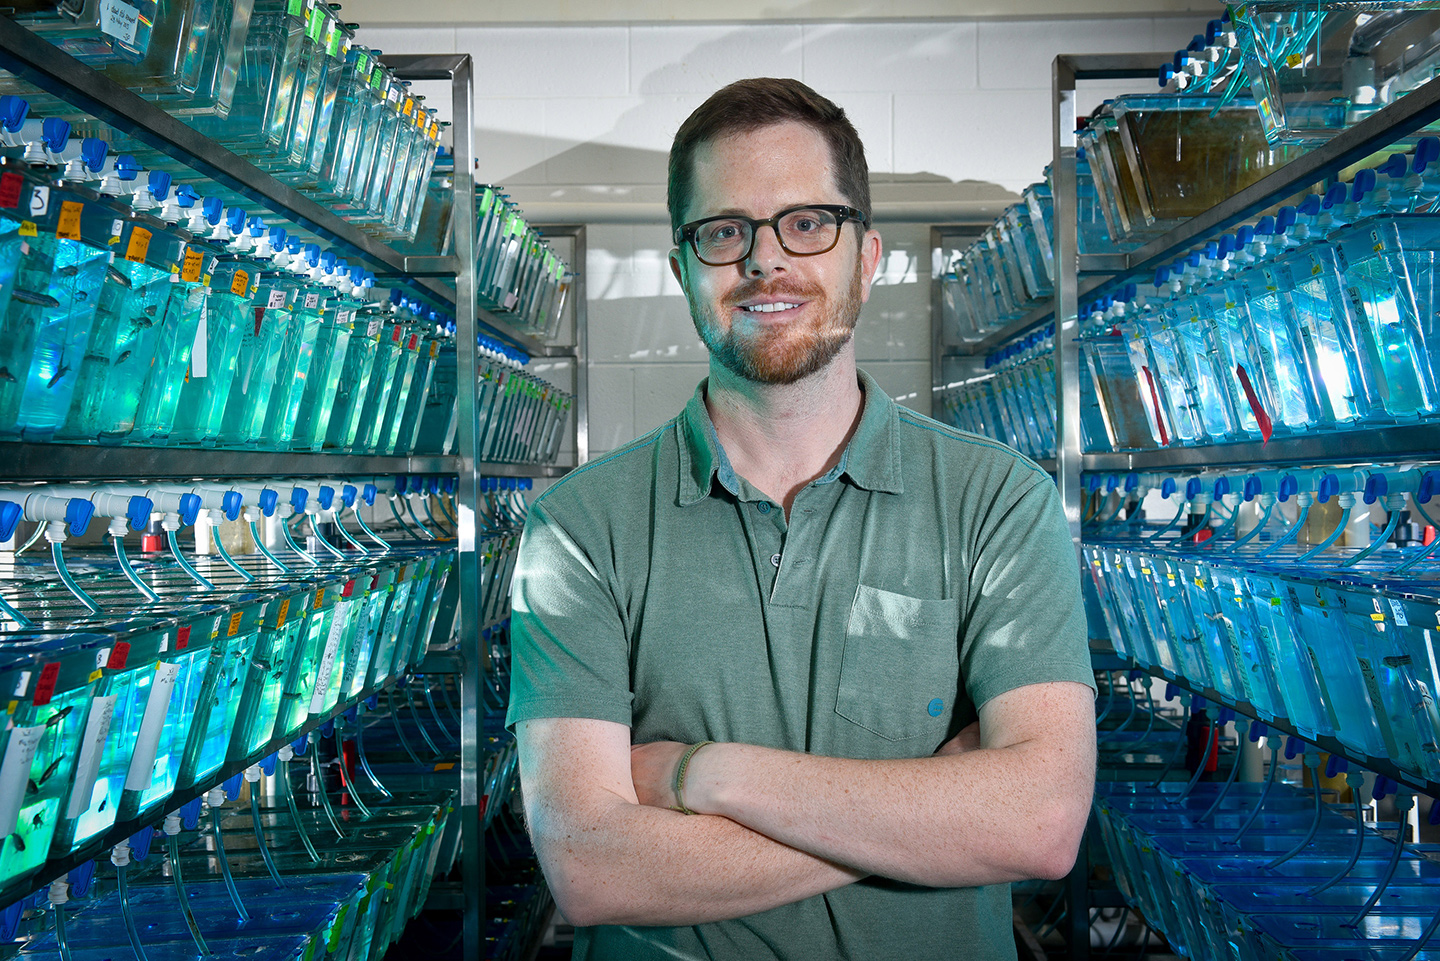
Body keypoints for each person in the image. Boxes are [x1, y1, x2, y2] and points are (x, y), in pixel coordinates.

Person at [506, 77, 1097, 961]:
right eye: (724, 231)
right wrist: (931, 812)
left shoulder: (998, 501)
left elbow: (1042, 824)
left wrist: (702, 773)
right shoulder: (578, 528)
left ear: (866, 256)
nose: (764, 261)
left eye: (808, 223)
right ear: (682, 272)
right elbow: (590, 869)